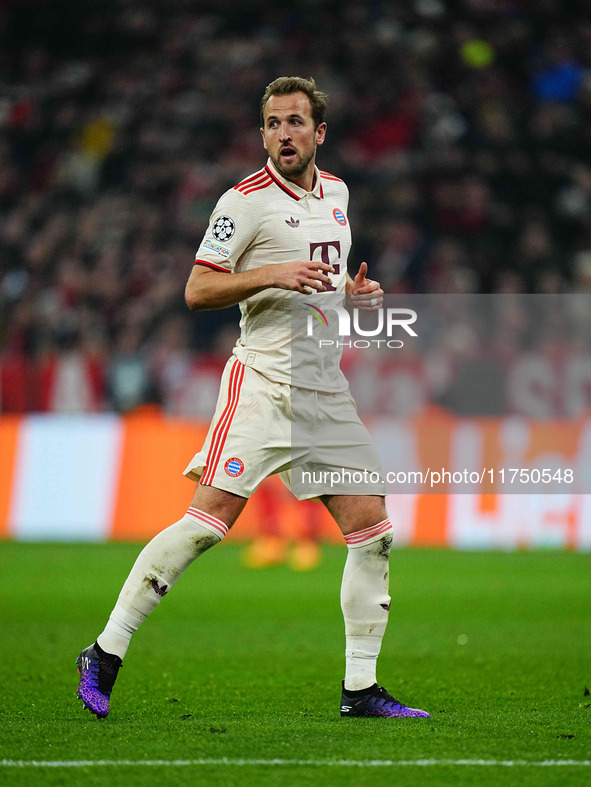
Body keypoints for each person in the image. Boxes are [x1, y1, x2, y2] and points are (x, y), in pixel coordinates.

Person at [76, 77, 430, 720]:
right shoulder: (242, 204)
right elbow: (196, 290)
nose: (283, 134)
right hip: (263, 382)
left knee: (372, 532)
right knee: (204, 528)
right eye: (272, 124)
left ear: (319, 133)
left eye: (296, 122)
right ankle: (104, 651)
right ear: (263, 132)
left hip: (324, 386)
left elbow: (320, 286)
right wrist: (272, 272)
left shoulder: (339, 195)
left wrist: (351, 299)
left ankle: (360, 689)